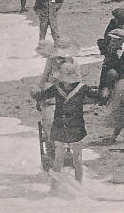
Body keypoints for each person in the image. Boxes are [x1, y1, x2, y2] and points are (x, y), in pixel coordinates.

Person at [31, 62, 100, 184]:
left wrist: (35, 92)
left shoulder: (56, 88)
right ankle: (79, 183)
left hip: (60, 127)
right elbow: (97, 96)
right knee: (77, 158)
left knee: (59, 157)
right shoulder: (82, 88)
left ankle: (55, 185)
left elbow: (40, 96)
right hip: (76, 127)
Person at [33, 40, 78, 168]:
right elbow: (44, 77)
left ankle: (61, 153)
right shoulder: (50, 61)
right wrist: (40, 93)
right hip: (51, 98)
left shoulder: (72, 64)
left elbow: (77, 81)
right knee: (49, 124)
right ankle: (52, 149)